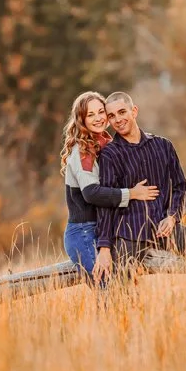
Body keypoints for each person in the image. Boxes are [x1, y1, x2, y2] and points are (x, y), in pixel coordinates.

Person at [93, 91, 186, 283]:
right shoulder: (110, 154)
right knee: (116, 292)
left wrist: (172, 217)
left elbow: (181, 189)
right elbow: (106, 203)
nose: (118, 119)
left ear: (134, 111)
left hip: (164, 229)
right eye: (111, 116)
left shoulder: (163, 146)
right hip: (129, 234)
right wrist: (105, 248)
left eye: (122, 112)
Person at [60, 90, 159, 278]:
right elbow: (92, 193)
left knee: (124, 290)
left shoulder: (106, 143)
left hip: (104, 229)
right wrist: (132, 193)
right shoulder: (83, 151)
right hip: (83, 233)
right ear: (82, 119)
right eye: (90, 115)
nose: (98, 118)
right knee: (110, 289)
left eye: (100, 112)